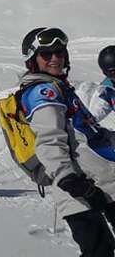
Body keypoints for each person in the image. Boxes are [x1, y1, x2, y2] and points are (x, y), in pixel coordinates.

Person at [19, 28, 115, 256]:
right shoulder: (43, 92)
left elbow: (89, 132)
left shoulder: (60, 89)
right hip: (82, 189)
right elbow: (49, 141)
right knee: (99, 251)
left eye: (60, 52)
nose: (56, 58)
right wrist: (69, 180)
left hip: (103, 182)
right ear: (33, 60)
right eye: (47, 54)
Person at [89, 46, 115, 123]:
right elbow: (99, 111)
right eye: (113, 73)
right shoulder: (109, 91)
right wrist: (89, 121)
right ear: (106, 73)